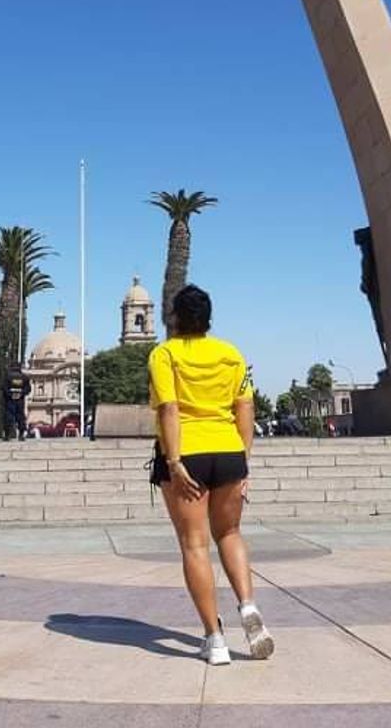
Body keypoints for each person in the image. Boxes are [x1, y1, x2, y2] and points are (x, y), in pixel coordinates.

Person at [148, 284, 274, 666]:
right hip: (229, 451)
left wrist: (173, 462)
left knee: (195, 545)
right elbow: (245, 406)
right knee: (231, 534)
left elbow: (169, 408)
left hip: (187, 454)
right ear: (208, 318)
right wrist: (244, 461)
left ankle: (214, 638)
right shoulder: (230, 353)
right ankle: (248, 605)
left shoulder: (165, 353)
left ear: (175, 317)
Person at [3, 363, 31, 441]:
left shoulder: (7, 377)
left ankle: (7, 434)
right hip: (20, 399)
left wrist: (10, 394)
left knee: (8, 416)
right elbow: (28, 389)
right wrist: (21, 394)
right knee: (20, 416)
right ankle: (21, 434)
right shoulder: (24, 377)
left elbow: (4, 388)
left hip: (10, 399)